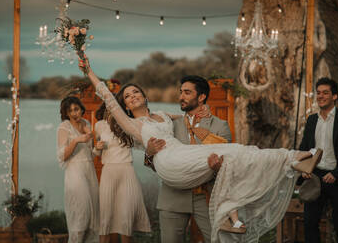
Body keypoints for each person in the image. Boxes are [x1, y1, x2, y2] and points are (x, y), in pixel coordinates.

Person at [78, 56, 322, 243]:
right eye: (127, 96)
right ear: (126, 106)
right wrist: (88, 71)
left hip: (202, 192)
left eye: (135, 92)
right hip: (172, 177)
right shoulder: (133, 124)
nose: (131, 96)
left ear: (201, 98)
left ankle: (294, 160)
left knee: (237, 150)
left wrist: (202, 121)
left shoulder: (169, 117)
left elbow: (191, 122)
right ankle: (292, 161)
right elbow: (109, 99)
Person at [144, 75, 233, 242]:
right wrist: (149, 154)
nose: (181, 97)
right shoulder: (170, 127)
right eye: (180, 92)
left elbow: (230, 164)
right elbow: (157, 165)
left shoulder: (220, 126)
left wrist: (217, 167)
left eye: (187, 92)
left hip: (207, 197)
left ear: (201, 97)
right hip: (172, 196)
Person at [93, 104, 151, 243]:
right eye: (109, 107)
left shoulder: (128, 124)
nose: (112, 110)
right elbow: (96, 152)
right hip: (108, 171)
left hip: (127, 171)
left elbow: (143, 141)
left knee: (126, 217)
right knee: (106, 216)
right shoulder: (100, 125)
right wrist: (96, 148)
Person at [299, 77, 338, 243]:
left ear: (334, 96)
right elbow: (304, 149)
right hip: (315, 178)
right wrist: (305, 169)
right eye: (318, 93)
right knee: (310, 224)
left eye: (325, 93)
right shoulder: (311, 120)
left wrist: (337, 174)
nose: (321, 96)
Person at [56, 96, 99, 243]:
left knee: (94, 216)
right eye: (70, 111)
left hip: (89, 172)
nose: (74, 113)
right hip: (75, 173)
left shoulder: (86, 124)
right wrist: (76, 140)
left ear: (81, 109)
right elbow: (62, 156)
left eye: (76, 109)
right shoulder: (64, 127)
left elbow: (90, 154)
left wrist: (97, 146)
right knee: (81, 213)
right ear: (66, 113)